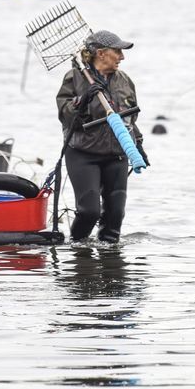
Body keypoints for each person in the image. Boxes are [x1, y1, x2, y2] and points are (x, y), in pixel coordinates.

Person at [56, 30, 145, 242]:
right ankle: (77, 250)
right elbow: (66, 117)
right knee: (89, 212)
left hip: (117, 155)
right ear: (101, 53)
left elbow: (130, 119)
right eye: (118, 51)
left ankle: (111, 263)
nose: (122, 57)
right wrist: (83, 99)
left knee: (115, 216)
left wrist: (138, 145)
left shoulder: (125, 81)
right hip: (83, 153)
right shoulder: (74, 78)